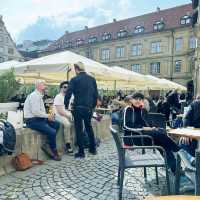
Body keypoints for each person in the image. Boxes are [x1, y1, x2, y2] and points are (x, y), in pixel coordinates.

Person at [123, 92, 191, 173]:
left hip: (142, 136)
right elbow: (126, 126)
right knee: (160, 135)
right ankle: (179, 151)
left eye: (140, 99)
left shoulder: (139, 109)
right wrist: (144, 128)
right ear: (132, 100)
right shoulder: (129, 109)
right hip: (134, 138)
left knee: (162, 143)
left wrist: (151, 128)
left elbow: (141, 122)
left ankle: (175, 169)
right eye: (136, 99)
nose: (138, 101)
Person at [64, 62, 98, 158]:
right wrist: (92, 106)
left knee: (78, 129)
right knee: (89, 128)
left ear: (76, 69)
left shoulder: (74, 79)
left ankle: (81, 152)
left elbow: (68, 93)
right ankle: (93, 149)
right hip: (88, 108)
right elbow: (96, 95)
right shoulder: (92, 79)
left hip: (78, 107)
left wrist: (66, 105)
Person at [24, 80, 61, 161]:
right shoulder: (34, 96)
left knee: (57, 124)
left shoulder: (39, 95)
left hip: (39, 119)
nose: (46, 86)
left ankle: (47, 144)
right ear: (39, 86)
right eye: (44, 84)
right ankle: (54, 151)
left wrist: (48, 116)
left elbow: (39, 112)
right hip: (32, 121)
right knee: (52, 131)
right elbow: (35, 112)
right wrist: (47, 116)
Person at [54, 81, 73, 154]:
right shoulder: (58, 97)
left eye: (68, 87)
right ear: (61, 88)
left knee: (80, 121)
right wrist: (70, 116)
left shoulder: (68, 97)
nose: (66, 88)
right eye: (65, 87)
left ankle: (82, 141)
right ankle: (68, 144)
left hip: (66, 114)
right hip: (58, 115)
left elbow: (69, 108)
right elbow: (60, 111)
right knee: (67, 124)